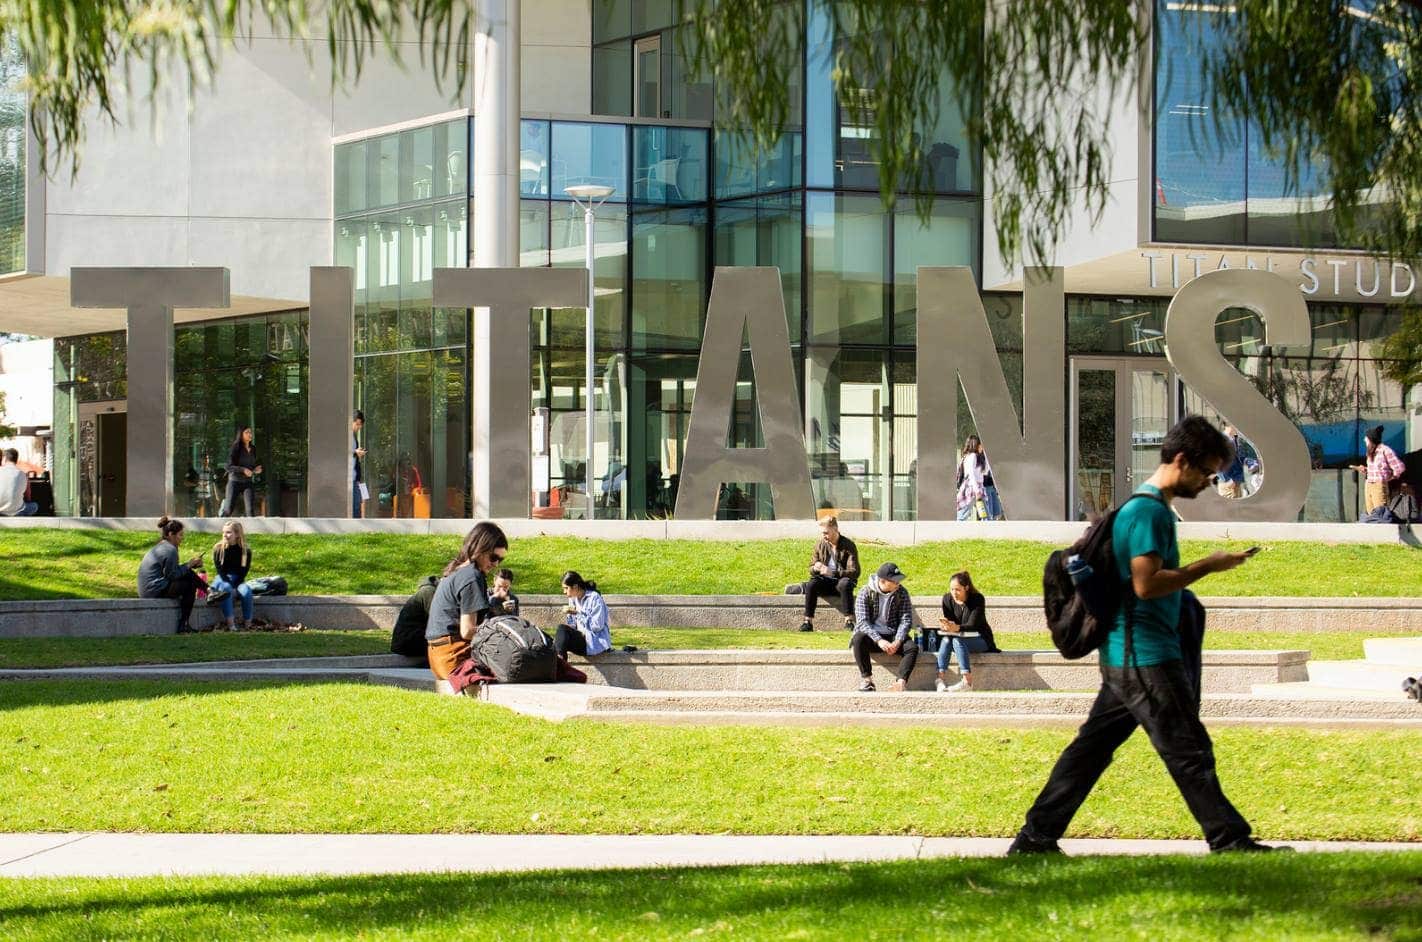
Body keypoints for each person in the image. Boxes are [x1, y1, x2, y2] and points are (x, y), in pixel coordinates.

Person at [1009, 416, 1280, 855]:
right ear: (1180, 460)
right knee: (1188, 749)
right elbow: (1145, 584)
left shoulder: (1143, 509)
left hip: (1128, 656)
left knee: (1091, 751)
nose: (1209, 482)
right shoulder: (1149, 512)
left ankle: (1035, 838)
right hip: (1144, 657)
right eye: (1206, 472)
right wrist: (1207, 566)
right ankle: (1229, 840)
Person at [424, 521, 509, 680]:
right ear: (480, 549)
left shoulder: (458, 571)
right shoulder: (472, 576)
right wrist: (501, 630)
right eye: (493, 557)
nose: (496, 564)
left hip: (438, 658)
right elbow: (468, 631)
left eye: (500, 560)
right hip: (454, 657)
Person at [850, 562, 919, 692]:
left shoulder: (901, 592)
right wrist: (879, 640)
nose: (898, 583)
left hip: (892, 633)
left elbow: (906, 620)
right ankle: (867, 680)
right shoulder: (865, 592)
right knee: (857, 639)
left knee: (912, 648)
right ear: (883, 581)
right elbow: (862, 623)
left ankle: (901, 682)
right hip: (872, 636)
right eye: (895, 581)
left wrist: (898, 641)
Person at [933, 570, 1001, 693]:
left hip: (981, 639)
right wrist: (947, 626)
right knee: (947, 639)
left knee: (958, 641)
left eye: (958, 589)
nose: (954, 593)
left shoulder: (977, 599)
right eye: (952, 589)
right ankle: (940, 679)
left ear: (966, 588)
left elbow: (973, 625)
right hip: (957, 639)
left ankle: (967, 681)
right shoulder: (947, 599)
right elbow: (951, 623)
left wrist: (956, 627)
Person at [137, 516, 206, 634]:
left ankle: (209, 591)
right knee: (190, 584)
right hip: (154, 590)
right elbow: (172, 575)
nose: (182, 538)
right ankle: (183, 625)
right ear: (170, 534)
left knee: (188, 574)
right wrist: (188, 565)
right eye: (180, 535)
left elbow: (172, 572)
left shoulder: (161, 546)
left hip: (148, 589)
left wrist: (190, 566)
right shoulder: (170, 550)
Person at [794, 516, 860, 632]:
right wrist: (815, 567)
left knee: (845, 584)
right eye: (822, 533)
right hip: (825, 582)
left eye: (826, 533)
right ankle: (807, 621)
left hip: (842, 582)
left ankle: (849, 621)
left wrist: (833, 573)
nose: (824, 536)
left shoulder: (848, 545)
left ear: (835, 529)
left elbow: (854, 571)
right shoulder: (820, 545)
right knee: (812, 584)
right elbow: (811, 567)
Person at [554, 570, 611, 659]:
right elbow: (572, 625)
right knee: (557, 643)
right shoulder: (573, 599)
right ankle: (561, 665)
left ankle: (560, 665)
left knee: (562, 631)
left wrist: (576, 613)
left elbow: (597, 626)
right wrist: (571, 617)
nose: (564, 592)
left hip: (594, 643)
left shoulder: (594, 598)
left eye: (566, 588)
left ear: (575, 587)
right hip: (581, 639)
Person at [209, 520, 254, 631]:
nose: (225, 535)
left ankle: (248, 624)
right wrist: (229, 583)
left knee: (246, 591)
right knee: (226, 588)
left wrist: (237, 584)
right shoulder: (219, 549)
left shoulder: (245, 551)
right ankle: (231, 624)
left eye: (229, 532)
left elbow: (244, 570)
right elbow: (220, 570)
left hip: (238, 579)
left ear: (237, 534)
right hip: (222, 578)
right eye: (224, 532)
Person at [1351, 425, 1405, 516]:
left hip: (1379, 485)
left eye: (1366, 438)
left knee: (1381, 514)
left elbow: (1400, 468)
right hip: (1369, 484)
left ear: (1371, 440)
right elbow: (1379, 469)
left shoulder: (1385, 450)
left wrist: (1389, 478)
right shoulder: (1371, 452)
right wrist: (1365, 469)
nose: (1364, 440)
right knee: (1371, 513)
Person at [219, 426, 262, 517]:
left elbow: (250, 466)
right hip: (234, 482)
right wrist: (243, 469)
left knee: (250, 510)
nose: (250, 434)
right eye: (247, 432)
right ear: (241, 435)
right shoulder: (236, 448)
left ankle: (251, 530)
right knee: (228, 509)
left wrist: (255, 470)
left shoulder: (253, 449)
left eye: (250, 432)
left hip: (247, 482)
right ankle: (219, 527)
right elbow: (228, 466)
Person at [955, 435, 995, 521]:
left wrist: (986, 457)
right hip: (972, 489)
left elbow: (985, 472)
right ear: (976, 445)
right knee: (962, 515)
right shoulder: (972, 456)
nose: (982, 446)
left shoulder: (977, 457)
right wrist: (977, 491)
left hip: (978, 488)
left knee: (986, 516)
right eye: (981, 444)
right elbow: (971, 475)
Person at [0, 448, 38, 517]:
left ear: (4, 458)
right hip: (16, 511)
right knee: (34, 506)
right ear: (16, 460)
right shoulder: (23, 475)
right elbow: (28, 497)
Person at [1216, 425, 1247, 499]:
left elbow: (1240, 458)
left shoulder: (1235, 439)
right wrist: (1228, 480)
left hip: (1236, 482)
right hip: (1229, 485)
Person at [352, 410, 367, 519]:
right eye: (357, 424)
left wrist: (357, 453)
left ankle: (357, 529)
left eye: (360, 425)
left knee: (358, 504)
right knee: (356, 505)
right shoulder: (345, 436)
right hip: (348, 479)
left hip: (355, 478)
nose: (358, 427)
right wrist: (355, 452)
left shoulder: (354, 438)